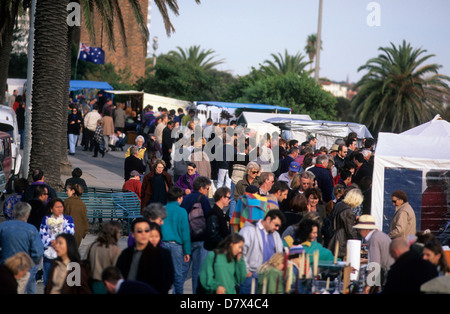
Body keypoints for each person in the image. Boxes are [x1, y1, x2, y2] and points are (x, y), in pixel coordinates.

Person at [116, 218, 174, 294]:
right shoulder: (126, 254)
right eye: (139, 231)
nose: (143, 234)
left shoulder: (163, 254)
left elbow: (168, 279)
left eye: (146, 231)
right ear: (133, 234)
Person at [0, 202, 44, 294]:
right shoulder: (31, 229)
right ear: (27, 214)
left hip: (5, 266)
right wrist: (32, 263)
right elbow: (37, 251)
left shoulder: (3, 226)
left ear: (13, 212)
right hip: (24, 267)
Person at [238, 210, 286, 294]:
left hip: (269, 278)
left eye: (279, 226)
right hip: (251, 277)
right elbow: (240, 252)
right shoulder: (248, 230)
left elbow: (279, 255)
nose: (277, 228)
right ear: (268, 219)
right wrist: (246, 271)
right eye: (276, 225)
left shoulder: (276, 235)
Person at [180, 176, 212, 294]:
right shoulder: (202, 199)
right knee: (198, 272)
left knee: (182, 271)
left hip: (186, 239)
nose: (208, 191)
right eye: (207, 188)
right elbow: (208, 217)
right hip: (200, 238)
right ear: (202, 188)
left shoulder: (185, 198)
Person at [161, 186, 191, 294]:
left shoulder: (162, 209)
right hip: (177, 246)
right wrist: (187, 251)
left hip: (162, 244)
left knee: (162, 273)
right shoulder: (182, 211)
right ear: (178, 198)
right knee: (178, 275)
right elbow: (185, 233)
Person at [353, 214, 394, 294]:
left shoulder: (374, 239)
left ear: (365, 229)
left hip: (389, 274)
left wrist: (368, 286)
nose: (359, 232)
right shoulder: (380, 235)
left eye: (359, 229)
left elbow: (374, 264)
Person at [39, 198, 75, 286]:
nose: (60, 209)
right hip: (49, 253)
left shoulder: (68, 219)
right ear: (51, 209)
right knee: (48, 281)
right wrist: (52, 242)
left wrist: (59, 242)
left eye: (61, 207)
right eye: (57, 207)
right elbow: (42, 234)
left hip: (63, 254)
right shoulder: (46, 219)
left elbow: (70, 234)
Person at [85, 220, 123, 294]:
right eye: (119, 232)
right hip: (108, 285)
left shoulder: (92, 246)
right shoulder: (115, 250)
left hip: (92, 282)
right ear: (114, 233)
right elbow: (118, 270)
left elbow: (85, 262)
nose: (120, 235)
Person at [327, 188, 363, 259]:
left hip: (332, 238)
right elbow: (350, 231)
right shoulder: (348, 212)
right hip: (341, 242)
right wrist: (357, 245)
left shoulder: (339, 205)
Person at [204, 187, 232, 251]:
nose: (229, 200)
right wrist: (225, 243)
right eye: (228, 198)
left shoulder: (219, 212)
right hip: (215, 249)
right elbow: (213, 234)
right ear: (222, 197)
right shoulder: (215, 213)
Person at [63, 183, 89, 247]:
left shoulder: (66, 202)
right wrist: (84, 231)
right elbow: (84, 219)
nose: (66, 192)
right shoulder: (82, 203)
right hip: (78, 232)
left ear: (73, 191)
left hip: (67, 231)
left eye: (67, 190)